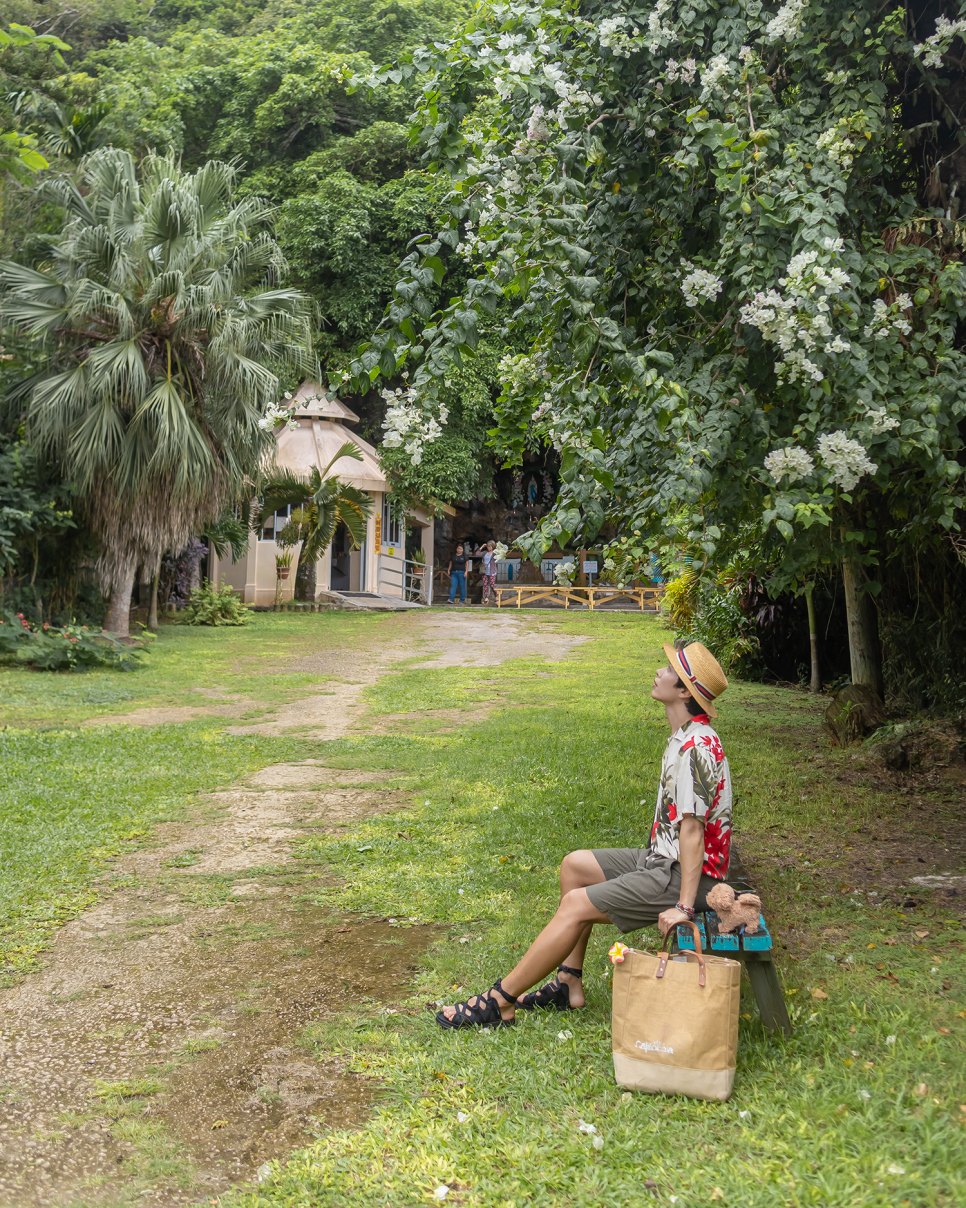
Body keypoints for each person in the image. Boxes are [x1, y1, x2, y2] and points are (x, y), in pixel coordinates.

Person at [436, 640, 731, 1028]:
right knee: (575, 866)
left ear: (682, 691)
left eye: (667, 670)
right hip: (664, 858)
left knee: (576, 905)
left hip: (685, 875)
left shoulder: (695, 747)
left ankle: (499, 1001)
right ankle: (567, 983)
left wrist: (684, 907)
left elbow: (692, 834)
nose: (657, 672)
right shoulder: (686, 735)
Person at [481, 541, 498, 605]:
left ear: (493, 546)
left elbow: (500, 553)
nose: (488, 548)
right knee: (485, 585)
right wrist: (483, 546)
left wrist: (496, 547)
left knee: (492, 584)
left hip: (492, 571)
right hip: (484, 571)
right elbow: (477, 553)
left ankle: (496, 596)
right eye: (488, 546)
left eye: (490, 546)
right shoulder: (485, 553)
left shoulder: (494, 553)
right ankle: (486, 598)